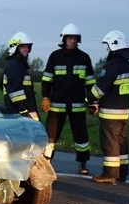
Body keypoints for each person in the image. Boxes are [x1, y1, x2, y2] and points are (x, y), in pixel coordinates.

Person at [41, 23, 95, 175]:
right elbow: (47, 79)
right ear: (64, 39)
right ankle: (46, 162)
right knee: (51, 137)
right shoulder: (55, 57)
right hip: (57, 106)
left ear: (78, 40)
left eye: (75, 38)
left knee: (81, 136)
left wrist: (93, 102)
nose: (72, 41)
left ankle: (83, 164)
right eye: (69, 38)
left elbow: (90, 83)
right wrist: (45, 96)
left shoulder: (84, 58)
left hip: (77, 105)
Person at [88, 30, 129, 184]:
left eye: (107, 46)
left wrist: (90, 98)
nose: (107, 49)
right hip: (123, 113)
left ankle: (110, 173)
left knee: (110, 143)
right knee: (122, 143)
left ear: (114, 45)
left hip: (110, 114)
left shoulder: (112, 66)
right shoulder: (127, 65)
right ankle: (122, 173)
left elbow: (100, 89)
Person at [1, 32, 40, 121]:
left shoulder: (18, 64)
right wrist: (25, 113)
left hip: (23, 112)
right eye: (23, 47)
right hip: (19, 115)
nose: (26, 49)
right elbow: (15, 94)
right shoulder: (14, 65)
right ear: (15, 48)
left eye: (27, 47)